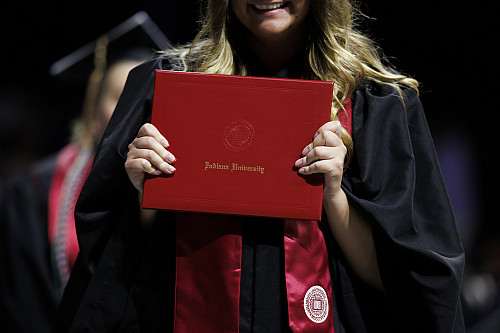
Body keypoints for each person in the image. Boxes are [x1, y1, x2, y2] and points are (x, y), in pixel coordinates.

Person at [52, 1, 465, 332]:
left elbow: (406, 284)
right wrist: (145, 193)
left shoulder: (377, 104)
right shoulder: (165, 88)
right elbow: (106, 269)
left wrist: (334, 195)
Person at [0, 12, 170, 333]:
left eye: (149, 99)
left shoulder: (177, 189)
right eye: (121, 97)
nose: (135, 109)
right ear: (93, 110)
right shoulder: (33, 190)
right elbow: (21, 300)